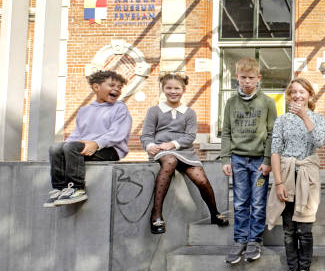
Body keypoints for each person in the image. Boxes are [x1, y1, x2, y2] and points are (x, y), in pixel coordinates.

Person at [140, 72, 228, 234]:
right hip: (161, 151)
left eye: (177, 88)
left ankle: (214, 213)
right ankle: (156, 214)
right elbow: (146, 135)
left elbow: (190, 137)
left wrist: (173, 144)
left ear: (184, 89)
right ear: (163, 89)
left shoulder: (189, 113)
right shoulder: (154, 111)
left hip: (185, 151)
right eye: (169, 88)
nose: (173, 91)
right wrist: (150, 145)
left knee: (201, 180)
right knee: (170, 161)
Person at [266, 78, 325, 271]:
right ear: (289, 96)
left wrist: (303, 116)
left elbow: (319, 142)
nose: (298, 96)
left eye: (302, 92)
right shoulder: (281, 121)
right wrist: (278, 182)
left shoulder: (317, 118)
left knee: (305, 228)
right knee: (289, 229)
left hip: (307, 177)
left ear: (310, 95)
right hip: (287, 175)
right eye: (294, 93)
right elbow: (275, 151)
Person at [45, 70, 132, 207]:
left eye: (119, 87)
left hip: (110, 149)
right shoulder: (85, 110)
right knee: (56, 148)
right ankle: (59, 188)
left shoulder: (120, 108)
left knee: (71, 148)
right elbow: (77, 133)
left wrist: (96, 144)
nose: (116, 89)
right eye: (112, 85)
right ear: (96, 87)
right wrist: (65, 146)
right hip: (84, 146)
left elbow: (117, 134)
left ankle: (77, 188)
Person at [221, 57, 277, 266]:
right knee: (240, 201)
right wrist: (226, 157)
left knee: (258, 201)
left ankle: (255, 240)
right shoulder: (230, 103)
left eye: (251, 78)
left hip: (259, 163)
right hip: (237, 160)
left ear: (258, 78)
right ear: (236, 77)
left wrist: (268, 159)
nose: (247, 81)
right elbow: (226, 132)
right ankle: (240, 240)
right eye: (243, 77)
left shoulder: (268, 103)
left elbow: (272, 134)